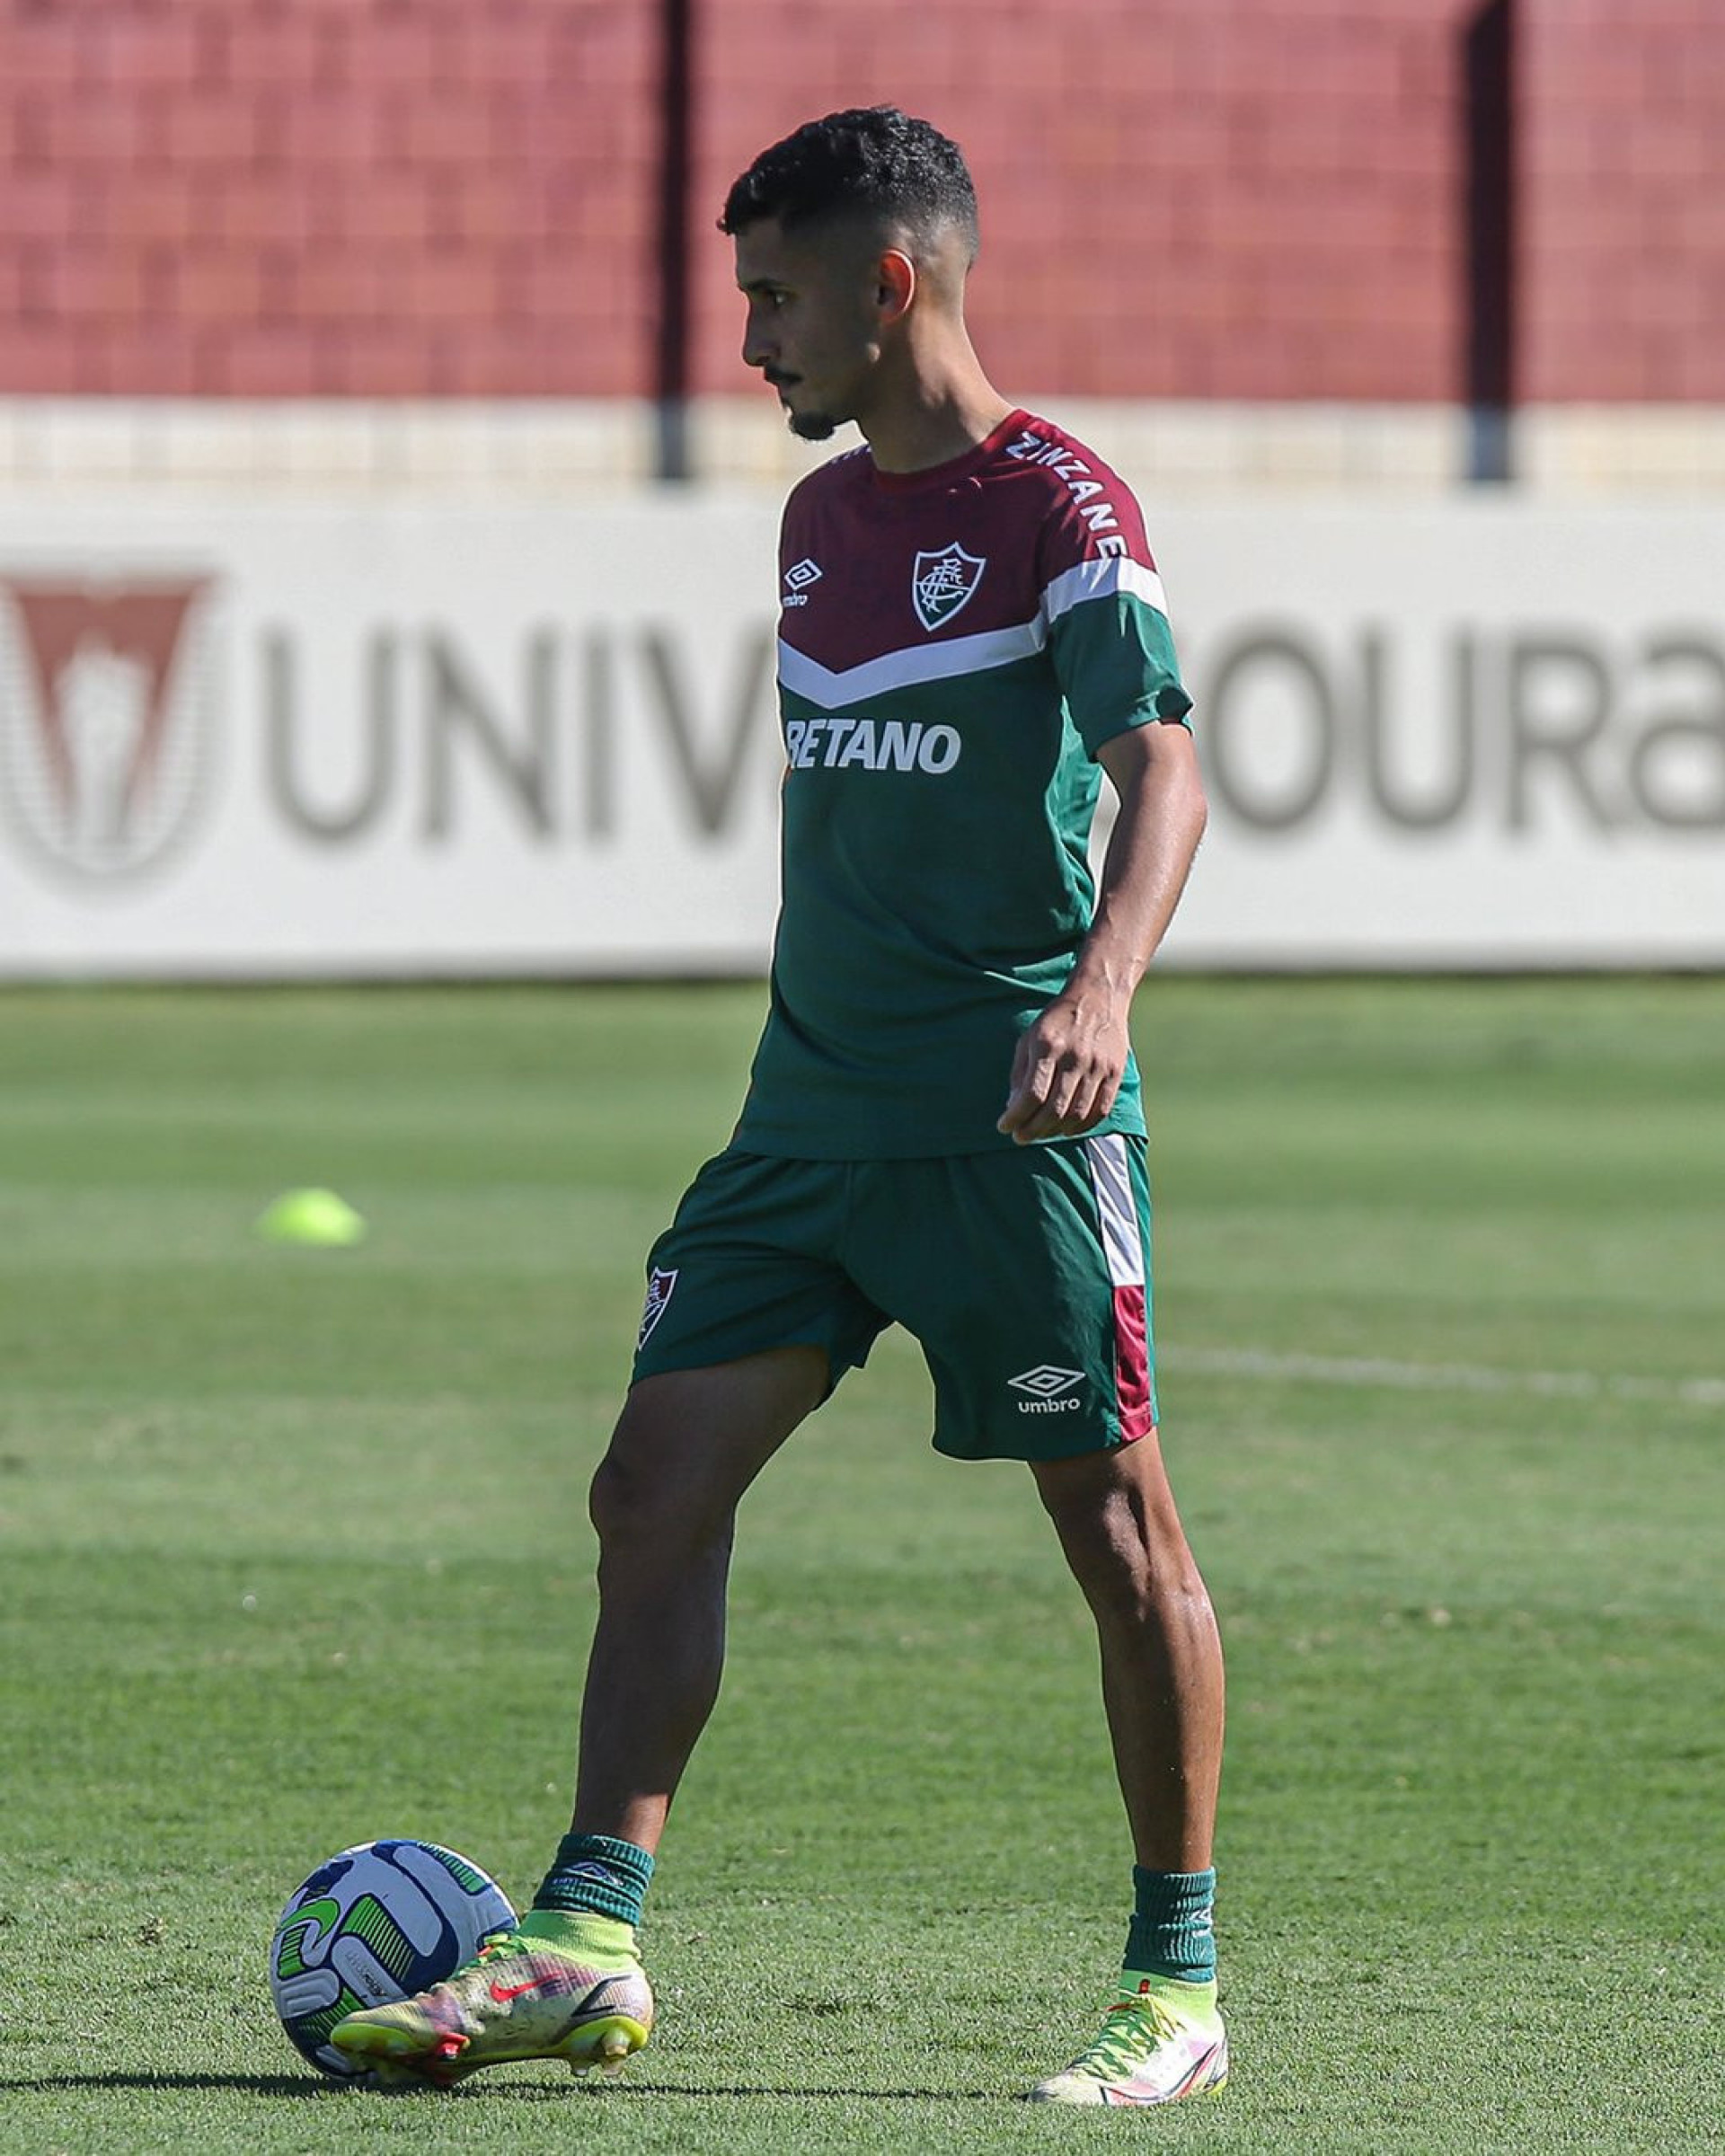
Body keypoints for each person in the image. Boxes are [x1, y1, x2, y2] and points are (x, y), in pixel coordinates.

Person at [333, 105, 1226, 2110]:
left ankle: (1177, 1983)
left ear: (889, 283)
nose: (749, 341)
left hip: (1014, 1126)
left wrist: (1099, 993)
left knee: (1117, 1536)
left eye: (775, 296)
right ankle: (584, 1937)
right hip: (805, 1121)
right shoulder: (820, 525)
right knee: (649, 1490)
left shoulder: (1060, 509)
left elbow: (1162, 768)